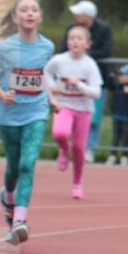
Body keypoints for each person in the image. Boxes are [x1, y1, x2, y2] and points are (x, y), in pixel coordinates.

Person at [0, 0, 54, 245]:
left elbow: (43, 75)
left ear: (40, 17)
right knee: (13, 168)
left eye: (34, 9)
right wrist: (2, 94)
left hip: (36, 111)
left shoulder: (47, 47)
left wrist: (51, 97)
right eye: (24, 10)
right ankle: (8, 197)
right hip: (9, 115)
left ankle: (19, 220)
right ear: (15, 18)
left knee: (28, 164)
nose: (30, 14)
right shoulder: (5, 48)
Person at [45, 25, 103, 199]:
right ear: (67, 42)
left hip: (84, 110)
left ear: (88, 44)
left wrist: (79, 84)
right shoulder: (59, 60)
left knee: (79, 148)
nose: (75, 41)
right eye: (71, 38)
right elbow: (45, 73)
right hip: (64, 105)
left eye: (79, 38)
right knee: (59, 133)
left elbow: (96, 93)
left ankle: (77, 182)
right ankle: (63, 149)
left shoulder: (90, 65)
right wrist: (52, 87)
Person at [60, 0, 113, 164]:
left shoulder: (104, 29)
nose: (75, 17)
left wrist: (84, 56)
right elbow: (63, 48)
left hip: (93, 79)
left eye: (78, 14)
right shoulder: (71, 28)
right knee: (69, 112)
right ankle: (69, 145)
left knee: (93, 115)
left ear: (87, 17)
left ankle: (89, 147)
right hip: (71, 79)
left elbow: (106, 51)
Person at [105, 64, 128, 166]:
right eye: (119, 75)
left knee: (126, 137)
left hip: (127, 117)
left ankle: (125, 156)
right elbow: (110, 86)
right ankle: (112, 156)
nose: (120, 77)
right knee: (115, 136)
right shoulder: (118, 86)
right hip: (117, 115)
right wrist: (111, 76)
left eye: (122, 75)